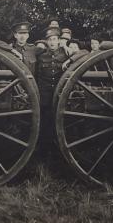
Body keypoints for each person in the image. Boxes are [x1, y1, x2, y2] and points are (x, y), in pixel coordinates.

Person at [36, 26, 70, 155]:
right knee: (45, 123)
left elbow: (83, 53)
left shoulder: (65, 53)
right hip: (45, 96)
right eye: (49, 39)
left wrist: (70, 59)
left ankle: (60, 150)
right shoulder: (41, 56)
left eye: (54, 39)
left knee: (60, 123)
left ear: (59, 40)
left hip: (60, 95)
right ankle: (44, 151)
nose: (52, 42)